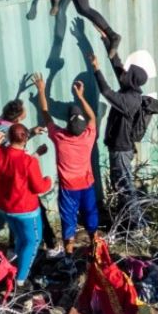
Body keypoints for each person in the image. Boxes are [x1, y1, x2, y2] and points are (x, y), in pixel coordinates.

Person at [0, 123, 52, 286]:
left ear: (7, 137)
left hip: (4, 208)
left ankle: (15, 263)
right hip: (26, 210)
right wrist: (48, 180)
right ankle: (20, 280)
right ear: (25, 140)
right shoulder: (28, 161)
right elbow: (39, 187)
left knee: (21, 237)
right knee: (33, 241)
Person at [91, 52, 158, 232]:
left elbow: (106, 92)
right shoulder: (131, 92)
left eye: (128, 73)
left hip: (121, 150)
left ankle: (137, 226)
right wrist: (111, 51)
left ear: (132, 78)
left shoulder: (128, 100)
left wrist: (96, 69)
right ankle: (127, 220)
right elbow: (119, 72)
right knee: (122, 185)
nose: (125, 74)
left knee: (126, 187)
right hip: (122, 148)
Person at [33, 72, 98, 257]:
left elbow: (45, 114)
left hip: (69, 188)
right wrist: (81, 96)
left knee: (68, 221)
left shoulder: (59, 137)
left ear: (67, 126)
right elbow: (92, 117)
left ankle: (69, 258)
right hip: (87, 185)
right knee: (91, 217)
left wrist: (41, 90)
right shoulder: (88, 136)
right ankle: (95, 249)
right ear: (83, 126)